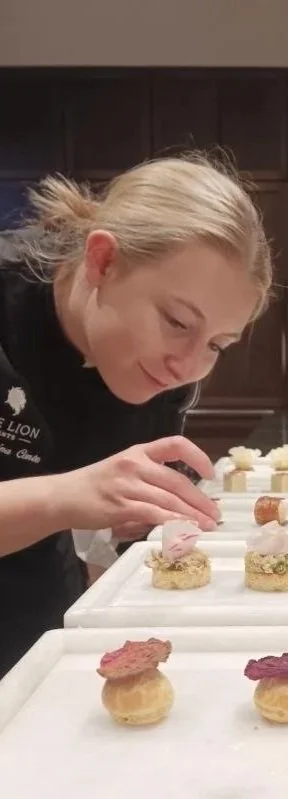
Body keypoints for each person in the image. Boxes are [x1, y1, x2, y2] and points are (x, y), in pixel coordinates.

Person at [0, 152, 272, 677]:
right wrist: (65, 496)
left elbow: (119, 542)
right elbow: (70, 498)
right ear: (103, 262)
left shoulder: (164, 369)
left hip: (38, 633)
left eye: (218, 343)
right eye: (176, 321)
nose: (188, 366)